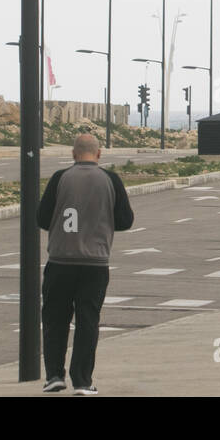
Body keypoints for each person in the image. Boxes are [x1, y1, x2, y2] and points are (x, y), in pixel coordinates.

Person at [36, 133, 133, 395]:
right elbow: (126, 221)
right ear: (99, 154)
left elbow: (42, 219)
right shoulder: (110, 179)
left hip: (60, 261)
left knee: (55, 320)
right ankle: (82, 381)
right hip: (94, 263)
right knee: (87, 321)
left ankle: (54, 375)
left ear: (73, 154)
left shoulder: (59, 178)